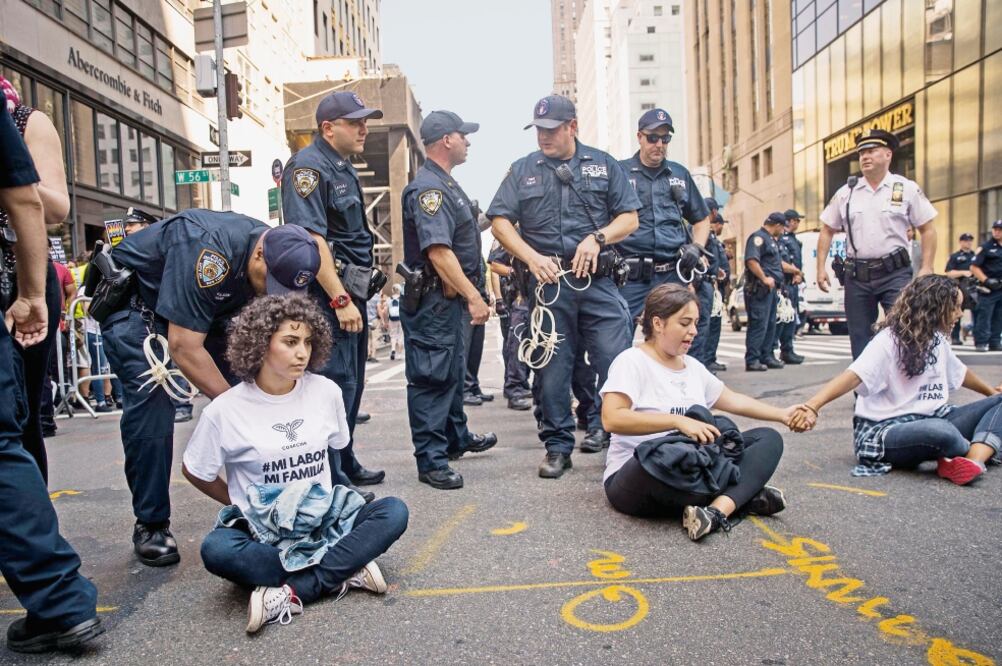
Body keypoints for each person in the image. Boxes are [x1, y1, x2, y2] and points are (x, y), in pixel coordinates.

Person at [100, 210, 321, 567]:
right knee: (153, 405)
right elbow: (185, 347)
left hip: (209, 313)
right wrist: (244, 407)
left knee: (252, 384)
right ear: (260, 253)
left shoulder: (283, 255)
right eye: (270, 281)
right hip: (139, 305)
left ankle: (270, 505)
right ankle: (152, 523)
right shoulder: (210, 251)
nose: (270, 292)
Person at [182, 294, 408, 634]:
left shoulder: (326, 392)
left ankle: (294, 591)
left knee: (393, 511)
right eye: (289, 342)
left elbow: (337, 450)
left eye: (307, 342)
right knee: (216, 549)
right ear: (260, 343)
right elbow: (195, 469)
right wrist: (238, 501)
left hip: (322, 520)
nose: (302, 352)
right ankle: (344, 567)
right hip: (264, 532)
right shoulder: (225, 410)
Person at [488, 95, 641, 478]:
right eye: (539, 129)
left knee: (615, 361)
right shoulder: (523, 170)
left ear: (572, 126)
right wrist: (529, 257)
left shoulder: (604, 165)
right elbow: (500, 223)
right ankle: (557, 446)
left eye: (552, 129)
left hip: (598, 282)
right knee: (553, 370)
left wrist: (599, 238)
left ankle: (613, 433)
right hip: (550, 286)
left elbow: (630, 218)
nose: (544, 137)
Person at [0, 99, 103, 653]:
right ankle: (58, 599)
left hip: (12, 288)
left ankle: (57, 599)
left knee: (13, 437)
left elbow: (39, 200)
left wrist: (34, 292)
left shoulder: (25, 119)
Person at [601, 284, 794, 541]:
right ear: (658, 323)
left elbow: (733, 399)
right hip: (639, 475)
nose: (693, 331)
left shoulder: (692, 367)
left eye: (695, 323)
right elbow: (612, 418)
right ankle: (743, 497)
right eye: (684, 323)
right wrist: (677, 422)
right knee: (664, 457)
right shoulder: (631, 361)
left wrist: (782, 414)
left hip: (692, 469)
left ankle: (715, 513)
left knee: (768, 439)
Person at [791, 275, 1002, 482]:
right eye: (955, 307)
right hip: (887, 429)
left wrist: (991, 395)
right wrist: (812, 406)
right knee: (942, 432)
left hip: (935, 416)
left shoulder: (938, 339)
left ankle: (973, 459)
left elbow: (961, 373)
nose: (959, 313)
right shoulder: (889, 340)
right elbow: (853, 376)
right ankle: (981, 445)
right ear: (935, 308)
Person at [281, 90, 386, 488]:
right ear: (328, 127)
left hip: (350, 292)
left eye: (366, 121)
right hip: (328, 298)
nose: (364, 128)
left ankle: (345, 458)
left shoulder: (342, 167)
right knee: (334, 384)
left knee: (352, 384)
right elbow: (312, 239)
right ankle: (332, 477)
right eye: (355, 122)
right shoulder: (308, 166)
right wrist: (340, 298)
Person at [400, 110, 498, 489]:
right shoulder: (430, 189)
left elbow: (465, 234)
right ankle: (431, 461)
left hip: (449, 302)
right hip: (436, 302)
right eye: (463, 135)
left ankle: (455, 437)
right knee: (432, 377)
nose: (468, 141)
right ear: (446, 140)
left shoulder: (447, 185)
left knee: (452, 373)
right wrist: (474, 296)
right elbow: (439, 251)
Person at [0, 78, 70, 478]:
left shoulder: (26, 121)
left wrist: (12, 173)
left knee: (18, 412)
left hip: (17, 275)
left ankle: (30, 528)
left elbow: (57, 207)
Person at [817, 128, 938, 359]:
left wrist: (927, 266)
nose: (865, 156)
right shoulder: (847, 192)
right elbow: (826, 230)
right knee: (860, 336)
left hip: (895, 273)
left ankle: (904, 386)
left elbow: (928, 229)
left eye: (871, 151)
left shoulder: (905, 188)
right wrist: (820, 267)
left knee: (905, 329)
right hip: (857, 276)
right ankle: (865, 393)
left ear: (888, 155)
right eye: (862, 152)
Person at [617, 109, 711, 342]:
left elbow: (701, 219)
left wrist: (697, 247)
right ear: (639, 137)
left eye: (665, 138)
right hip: (630, 277)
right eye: (652, 138)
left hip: (671, 273)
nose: (659, 144)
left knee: (679, 338)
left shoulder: (679, 173)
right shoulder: (620, 172)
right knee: (616, 341)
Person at [488, 240, 532, 410]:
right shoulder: (514, 231)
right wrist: (516, 273)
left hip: (547, 295)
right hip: (522, 298)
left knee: (545, 348)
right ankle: (515, 390)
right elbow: (495, 265)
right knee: (517, 345)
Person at [743, 212, 788, 372]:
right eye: (782, 228)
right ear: (777, 225)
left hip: (770, 290)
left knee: (769, 324)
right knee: (759, 324)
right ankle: (752, 359)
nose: (783, 231)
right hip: (759, 289)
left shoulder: (771, 240)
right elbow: (751, 260)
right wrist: (764, 278)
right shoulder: (758, 238)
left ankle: (766, 356)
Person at [774, 209, 805, 364]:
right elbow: (780, 262)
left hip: (793, 283)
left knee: (791, 318)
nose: (798, 224)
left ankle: (788, 349)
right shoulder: (782, 239)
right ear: (791, 221)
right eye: (797, 220)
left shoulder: (793, 239)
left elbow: (796, 261)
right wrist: (795, 271)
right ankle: (782, 350)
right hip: (784, 283)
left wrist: (798, 274)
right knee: (783, 319)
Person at [703, 210, 730, 373]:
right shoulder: (702, 232)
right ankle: (704, 361)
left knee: (713, 325)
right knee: (705, 326)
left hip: (715, 284)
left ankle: (709, 358)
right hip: (706, 283)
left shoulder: (713, 238)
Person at [970, 220, 1002, 351]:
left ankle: (995, 342)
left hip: (1001, 287)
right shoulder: (986, 247)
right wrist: (986, 280)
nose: (996, 231)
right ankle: (981, 342)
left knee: (999, 316)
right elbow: (973, 267)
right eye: (995, 229)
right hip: (988, 288)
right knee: (985, 315)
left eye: (999, 229)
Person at [944, 232, 977, 345]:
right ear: (961, 242)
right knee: (957, 311)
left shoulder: (975, 255)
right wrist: (963, 272)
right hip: (960, 286)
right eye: (965, 240)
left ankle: (976, 334)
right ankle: (955, 337)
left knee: (978, 312)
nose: (968, 242)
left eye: (970, 240)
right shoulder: (955, 256)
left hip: (974, 287)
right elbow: (949, 273)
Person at [387, 284, 403, 360]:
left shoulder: (389, 299)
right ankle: (399, 354)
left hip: (391, 319)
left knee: (393, 335)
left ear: (393, 290)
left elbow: (385, 311)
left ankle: (393, 349)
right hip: (400, 319)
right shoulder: (402, 299)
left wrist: (385, 320)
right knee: (400, 336)